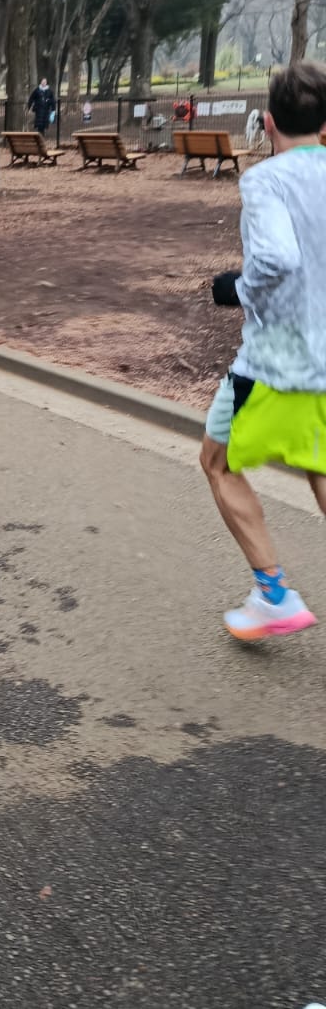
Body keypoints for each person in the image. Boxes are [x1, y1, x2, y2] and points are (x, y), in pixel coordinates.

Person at [200, 61, 326, 640]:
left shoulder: (265, 181)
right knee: (318, 465)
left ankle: (273, 594)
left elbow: (276, 258)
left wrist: (239, 287)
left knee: (217, 462)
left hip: (274, 364)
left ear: (268, 122)